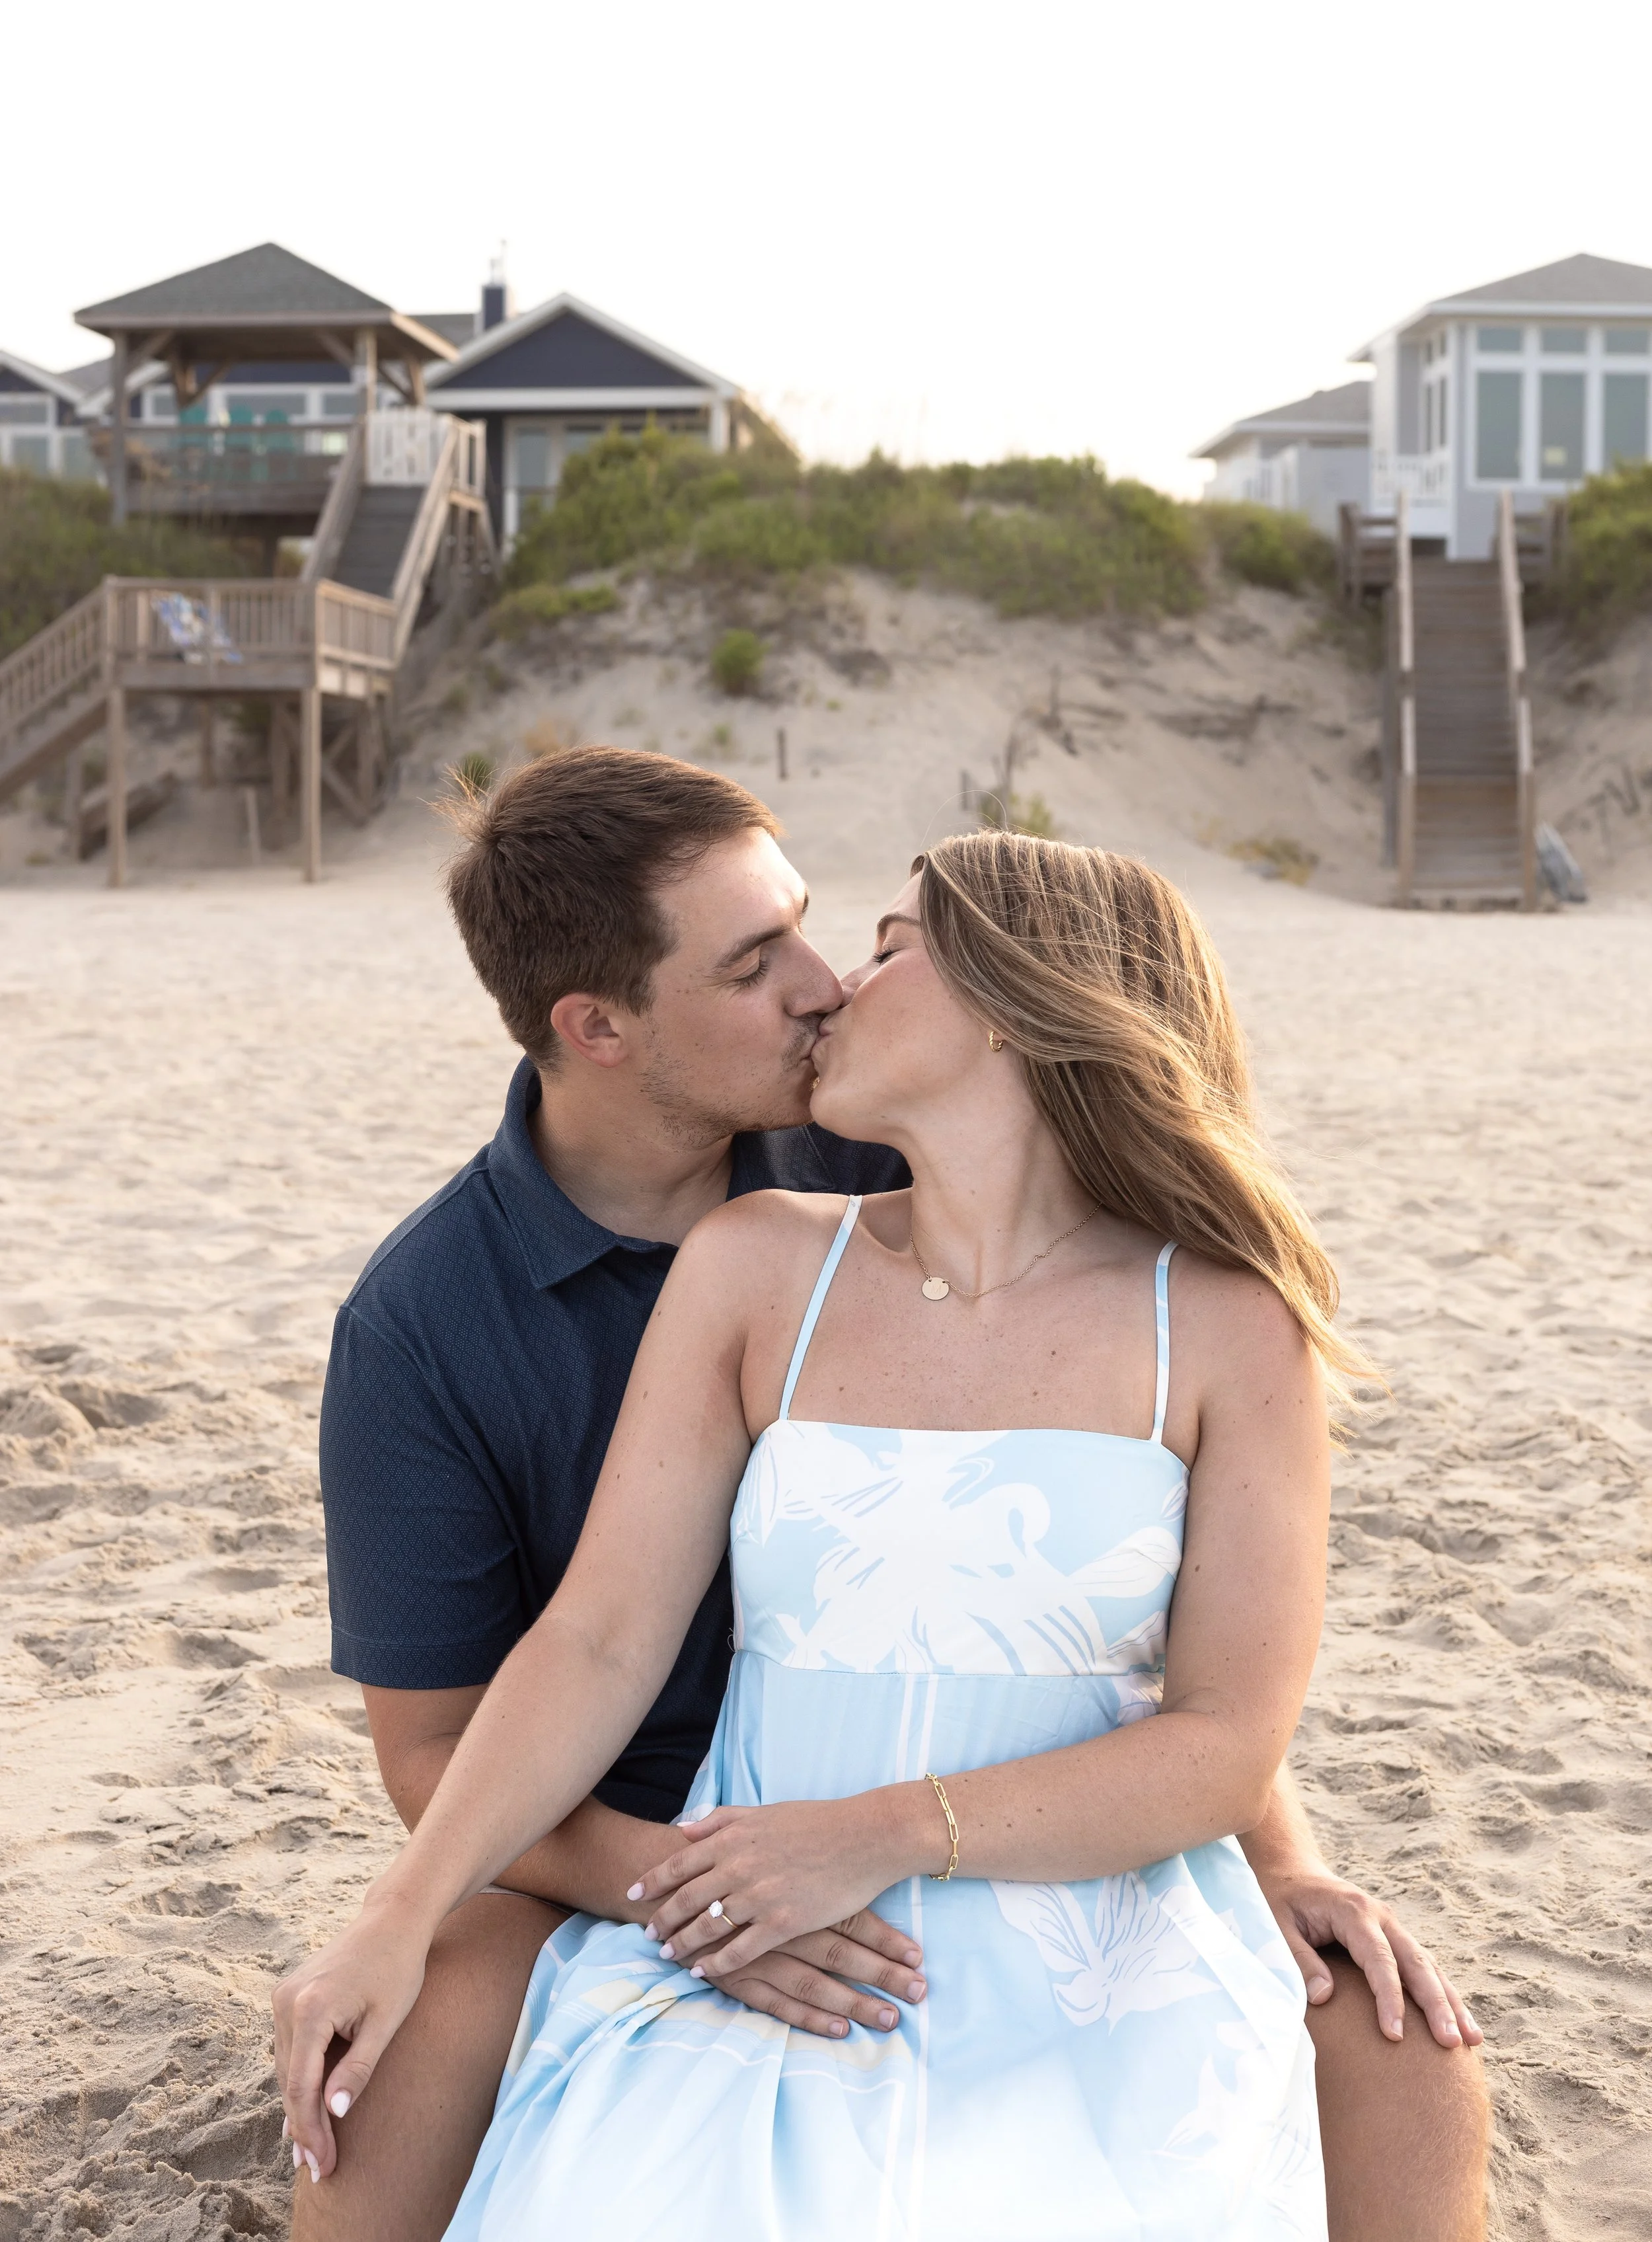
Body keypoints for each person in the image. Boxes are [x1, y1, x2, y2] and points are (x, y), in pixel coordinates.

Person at [280, 791, 1487, 2237]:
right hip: (690, 1854)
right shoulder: (677, 1277)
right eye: (757, 963)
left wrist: (1277, 1866)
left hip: (1065, 1876)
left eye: (863, 941)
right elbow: (583, 1648)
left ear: (1012, 1009)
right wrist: (408, 1913)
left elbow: (1219, 1718)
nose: (824, 986)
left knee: (1377, 2072)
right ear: (597, 1026)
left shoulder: (1193, 1308)